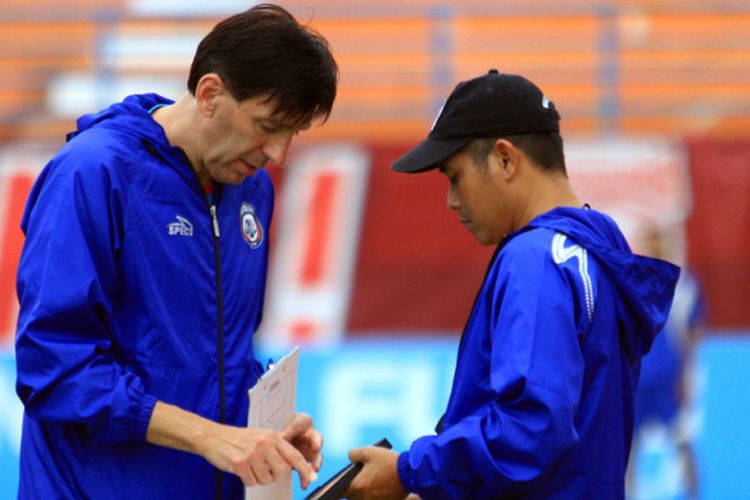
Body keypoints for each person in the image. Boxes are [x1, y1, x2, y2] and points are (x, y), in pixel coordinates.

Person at [14, 4, 337, 499]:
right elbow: (54, 369)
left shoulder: (252, 189)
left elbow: (217, 358)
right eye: (268, 126)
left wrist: (266, 423)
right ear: (210, 94)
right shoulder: (92, 173)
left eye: (292, 134)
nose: (278, 154)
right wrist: (210, 436)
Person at [344, 70, 680, 499]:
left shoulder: (535, 258)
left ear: (505, 158)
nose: (451, 200)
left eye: (454, 176)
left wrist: (410, 472)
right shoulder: (598, 245)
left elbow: (530, 427)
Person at [629, 226, 707, 498]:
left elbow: (693, 336)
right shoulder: (633, 283)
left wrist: (688, 378)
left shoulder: (685, 286)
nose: (656, 245)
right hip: (637, 383)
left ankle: (694, 492)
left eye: (659, 239)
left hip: (668, 383)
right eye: (651, 239)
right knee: (628, 450)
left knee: (683, 441)